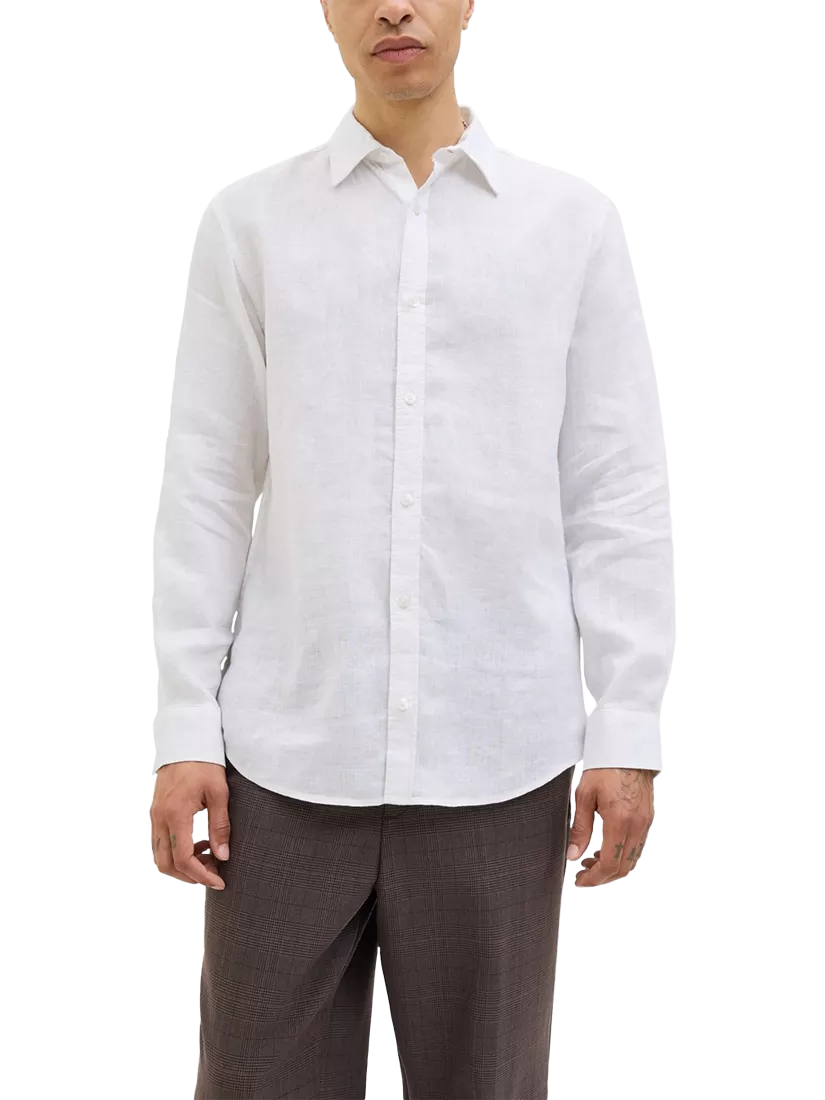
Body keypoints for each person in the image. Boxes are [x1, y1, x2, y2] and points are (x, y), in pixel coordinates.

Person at [149, 2, 676, 1097]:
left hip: (501, 757)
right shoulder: (252, 223)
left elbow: (615, 485)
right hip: (281, 768)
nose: (394, 6)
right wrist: (184, 722)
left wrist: (627, 722)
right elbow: (207, 481)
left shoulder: (570, 224)